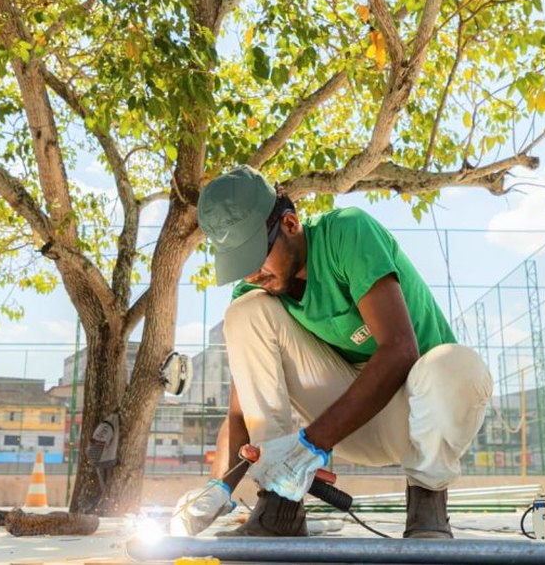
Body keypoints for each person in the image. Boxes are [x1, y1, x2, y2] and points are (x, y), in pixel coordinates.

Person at [171, 166, 493, 538]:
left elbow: (401, 350)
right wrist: (220, 485)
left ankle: (427, 512)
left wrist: (309, 445)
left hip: (422, 415)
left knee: (457, 364)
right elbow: (242, 408)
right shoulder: (255, 292)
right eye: (240, 264)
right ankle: (279, 508)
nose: (252, 274)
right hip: (349, 424)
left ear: (290, 224)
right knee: (245, 313)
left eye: (256, 255)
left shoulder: (348, 233)